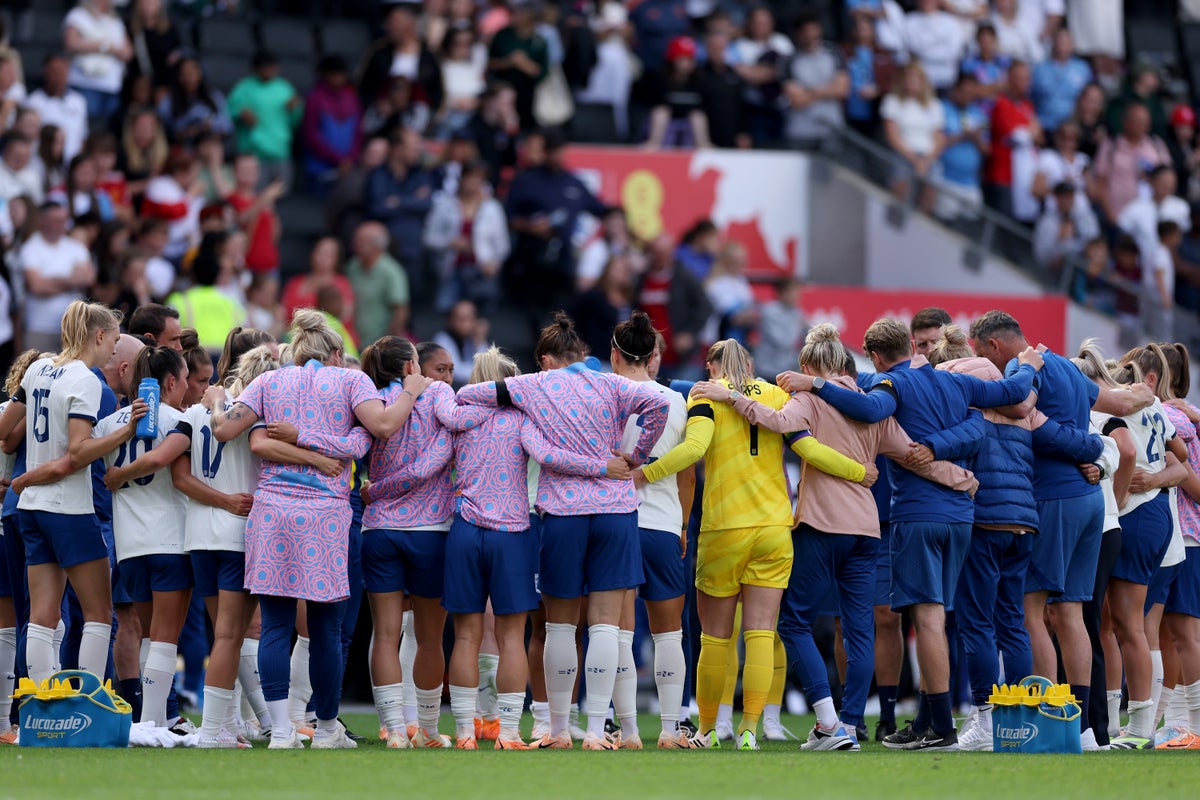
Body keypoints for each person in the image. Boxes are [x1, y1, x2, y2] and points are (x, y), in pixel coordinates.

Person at [781, 317, 1044, 750]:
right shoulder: (953, 381)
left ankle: (943, 725)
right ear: (910, 343)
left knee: (926, 621)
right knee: (953, 621)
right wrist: (1028, 364)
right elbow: (1008, 401)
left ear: (878, 358)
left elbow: (867, 409)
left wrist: (816, 384)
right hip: (962, 516)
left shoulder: (889, 386)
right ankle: (942, 720)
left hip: (917, 514)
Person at [206, 309, 434, 749]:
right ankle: (328, 730)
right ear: (334, 352)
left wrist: (217, 399)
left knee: (274, 626)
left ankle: (282, 732)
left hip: (271, 511)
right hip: (326, 516)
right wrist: (409, 391)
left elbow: (223, 429)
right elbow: (382, 427)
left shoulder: (271, 381)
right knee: (326, 630)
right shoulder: (350, 381)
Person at [455, 313, 669, 750]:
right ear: (585, 355)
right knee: (606, 626)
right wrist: (635, 456)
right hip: (614, 509)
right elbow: (659, 405)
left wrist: (508, 402)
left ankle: (556, 730)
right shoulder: (612, 384)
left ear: (548, 359)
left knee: (558, 626)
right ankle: (595, 730)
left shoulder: (535, 384)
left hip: (562, 514)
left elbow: (468, 393)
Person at [636, 338, 859, 750]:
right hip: (775, 528)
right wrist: (857, 471)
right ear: (750, 365)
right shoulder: (777, 395)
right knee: (761, 634)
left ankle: (705, 731)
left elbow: (694, 449)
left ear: (711, 366)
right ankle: (751, 731)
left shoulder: (706, 396)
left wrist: (643, 475)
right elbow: (808, 448)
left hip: (725, 528)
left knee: (715, 639)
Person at [969, 311, 1154, 747]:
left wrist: (1082, 444)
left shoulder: (1021, 368)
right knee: (1070, 613)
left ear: (994, 346)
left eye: (981, 355)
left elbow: (1020, 408)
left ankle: (1045, 723)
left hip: (1052, 497)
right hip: (1092, 502)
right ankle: (1085, 729)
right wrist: (1141, 396)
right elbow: (1121, 404)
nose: (986, 366)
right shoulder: (1068, 368)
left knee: (1033, 612)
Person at [926, 326, 1101, 751]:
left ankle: (987, 720)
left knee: (977, 623)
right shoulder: (1021, 400)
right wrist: (1096, 448)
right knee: (1015, 622)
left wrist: (929, 448)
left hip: (985, 519)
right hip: (1026, 520)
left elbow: (963, 440)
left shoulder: (960, 393)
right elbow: (1074, 433)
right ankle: (1017, 720)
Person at [0, 302, 146, 686]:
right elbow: (79, 454)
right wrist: (126, 430)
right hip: (68, 507)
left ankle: (41, 703)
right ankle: (89, 700)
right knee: (100, 611)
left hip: (30, 510)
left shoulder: (36, 369)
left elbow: (3, 429)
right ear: (99, 336)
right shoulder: (85, 379)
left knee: (42, 615)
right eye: (114, 339)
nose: (115, 348)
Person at [92, 346, 190, 728]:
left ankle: (156, 722)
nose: (185, 388)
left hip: (129, 544)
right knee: (165, 638)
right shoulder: (180, 421)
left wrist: (118, 474)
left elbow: (96, 460)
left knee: (150, 636)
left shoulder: (108, 424)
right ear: (169, 381)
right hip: (170, 540)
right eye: (184, 380)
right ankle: (153, 723)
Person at [504, 128, 607, 327]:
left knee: (562, 314)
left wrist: (619, 216)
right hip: (532, 260)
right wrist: (531, 226)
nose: (556, 155)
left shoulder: (574, 182)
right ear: (545, 152)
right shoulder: (526, 180)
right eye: (551, 150)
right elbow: (509, 217)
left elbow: (600, 209)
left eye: (559, 150)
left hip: (563, 262)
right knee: (534, 311)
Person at [424, 159, 508, 314]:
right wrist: (449, 243)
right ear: (461, 179)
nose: (473, 182)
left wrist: (495, 262)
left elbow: (502, 244)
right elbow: (429, 238)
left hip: (482, 272)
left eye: (478, 179)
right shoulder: (444, 205)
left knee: (483, 317)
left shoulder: (493, 208)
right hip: (451, 271)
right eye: (470, 177)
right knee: (445, 312)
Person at [18, 201, 95, 353]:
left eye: (64, 220)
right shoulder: (30, 248)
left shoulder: (75, 246)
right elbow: (37, 287)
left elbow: (88, 278)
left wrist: (52, 280)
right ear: (43, 221)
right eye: (57, 220)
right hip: (40, 326)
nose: (63, 225)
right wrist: (71, 279)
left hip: (72, 327)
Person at [364, 128, 436, 283]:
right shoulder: (378, 175)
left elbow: (426, 204)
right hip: (384, 253)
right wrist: (412, 201)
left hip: (413, 252)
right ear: (397, 149)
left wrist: (398, 201)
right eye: (413, 148)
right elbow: (377, 208)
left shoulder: (420, 174)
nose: (418, 152)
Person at [638, 233, 712, 379]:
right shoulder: (642, 279)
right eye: (656, 253)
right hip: (650, 356)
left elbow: (705, 306)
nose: (660, 257)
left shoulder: (684, 276)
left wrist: (689, 333)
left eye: (663, 253)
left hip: (682, 357)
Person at [227, 51, 303, 190]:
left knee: (281, 196)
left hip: (280, 152)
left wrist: (294, 110)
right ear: (256, 69)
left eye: (272, 67)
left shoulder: (284, 88)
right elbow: (230, 115)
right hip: (253, 153)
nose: (269, 70)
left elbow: (295, 121)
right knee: (254, 197)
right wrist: (240, 114)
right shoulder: (243, 88)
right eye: (265, 67)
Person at [357, 1, 444, 118]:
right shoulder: (379, 54)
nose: (387, 26)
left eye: (394, 22)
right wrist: (377, 106)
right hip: (381, 121)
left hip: (418, 124)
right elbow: (364, 89)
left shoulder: (429, 56)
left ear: (409, 23)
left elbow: (437, 95)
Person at [165, 232, 247, 353]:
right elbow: (244, 329)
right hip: (225, 357)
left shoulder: (179, 299)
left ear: (192, 274)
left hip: (195, 358)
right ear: (217, 273)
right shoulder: (231, 300)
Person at [1095, 103, 1171, 225]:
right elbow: (1100, 184)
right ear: (1126, 122)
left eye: (1146, 122)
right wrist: (1110, 215)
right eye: (1138, 121)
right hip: (1117, 216)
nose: (1143, 126)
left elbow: (1168, 178)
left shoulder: (1156, 145)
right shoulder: (1110, 146)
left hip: (1151, 218)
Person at [882, 62, 944, 208]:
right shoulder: (893, 101)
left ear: (923, 81)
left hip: (927, 157)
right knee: (900, 186)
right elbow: (892, 136)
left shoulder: (934, 105)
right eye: (908, 77)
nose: (911, 81)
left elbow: (939, 138)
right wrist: (915, 159)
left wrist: (926, 160)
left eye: (915, 78)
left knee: (932, 188)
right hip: (903, 154)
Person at [782, 15, 848, 151]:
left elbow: (842, 90)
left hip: (831, 128)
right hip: (800, 131)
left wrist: (809, 92)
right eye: (806, 31)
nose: (811, 35)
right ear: (798, 34)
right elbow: (796, 101)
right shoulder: (789, 60)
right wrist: (829, 89)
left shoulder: (834, 52)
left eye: (814, 30)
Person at [987, 60, 1042, 220]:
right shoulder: (1001, 104)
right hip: (1003, 176)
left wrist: (1030, 132)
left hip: (1024, 178)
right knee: (1001, 225)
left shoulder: (1028, 105)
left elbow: (1039, 137)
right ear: (1010, 79)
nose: (1025, 82)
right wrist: (1031, 131)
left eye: (1027, 78)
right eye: (1020, 78)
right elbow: (1017, 136)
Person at [301, 56, 363, 192]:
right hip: (320, 171)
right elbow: (310, 135)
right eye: (335, 74)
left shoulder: (351, 98)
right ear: (326, 75)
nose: (339, 78)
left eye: (342, 74)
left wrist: (350, 159)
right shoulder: (314, 98)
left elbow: (358, 133)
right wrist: (338, 160)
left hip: (347, 169)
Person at [62, 0, 131, 123]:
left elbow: (128, 53)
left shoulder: (115, 21)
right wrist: (104, 46)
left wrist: (105, 48)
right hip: (85, 84)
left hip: (111, 86)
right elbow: (71, 43)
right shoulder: (78, 15)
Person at [486, 0, 548, 130]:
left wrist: (524, 63)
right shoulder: (503, 35)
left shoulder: (539, 42)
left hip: (527, 95)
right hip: (501, 90)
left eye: (520, 13)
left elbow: (542, 72)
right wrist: (508, 62)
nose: (515, 16)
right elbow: (489, 63)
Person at [344, 221, 410, 344]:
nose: (354, 244)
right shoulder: (352, 266)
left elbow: (400, 309)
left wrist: (388, 344)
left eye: (360, 241)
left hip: (377, 345)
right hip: (352, 342)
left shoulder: (391, 272)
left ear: (375, 246)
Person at [645, 36, 709, 150]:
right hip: (667, 123)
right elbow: (656, 105)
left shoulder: (698, 80)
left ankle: (704, 145)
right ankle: (653, 144)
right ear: (673, 59)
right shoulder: (661, 79)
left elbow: (700, 107)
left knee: (698, 117)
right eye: (682, 59)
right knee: (661, 113)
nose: (687, 63)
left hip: (689, 125)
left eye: (690, 59)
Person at [227, 153, 284, 279]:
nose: (249, 172)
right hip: (246, 268)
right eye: (244, 169)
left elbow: (275, 235)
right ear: (234, 172)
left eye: (253, 168)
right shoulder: (231, 199)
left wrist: (268, 204)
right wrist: (264, 199)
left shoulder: (263, 198)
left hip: (269, 266)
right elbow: (241, 219)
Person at [280, 237, 355, 330]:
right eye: (320, 252)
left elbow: (345, 315)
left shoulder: (341, 284)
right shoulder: (295, 282)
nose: (322, 258)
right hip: (294, 336)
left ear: (337, 259)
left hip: (328, 337)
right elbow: (282, 314)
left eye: (328, 255)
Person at [25, 54, 89, 160]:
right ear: (45, 73)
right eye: (54, 73)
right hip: (42, 164)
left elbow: (82, 137)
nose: (59, 77)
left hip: (71, 166)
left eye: (63, 72)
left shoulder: (79, 101)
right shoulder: (33, 102)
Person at [157, 57, 232, 147]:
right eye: (186, 73)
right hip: (181, 148)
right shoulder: (168, 101)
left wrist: (208, 125)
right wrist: (189, 131)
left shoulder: (213, 96)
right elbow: (162, 129)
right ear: (179, 77)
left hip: (208, 143)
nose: (190, 78)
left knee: (213, 148)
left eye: (193, 73)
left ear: (200, 74)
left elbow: (227, 125)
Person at [1031, 27, 1093, 134]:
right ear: (1053, 43)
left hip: (1074, 128)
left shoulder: (1083, 69)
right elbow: (1030, 97)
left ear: (1073, 45)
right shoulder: (1039, 69)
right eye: (1060, 40)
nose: (1063, 45)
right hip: (1045, 126)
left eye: (1066, 42)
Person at [1033, 182, 1100, 272]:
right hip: (1056, 272)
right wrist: (1060, 241)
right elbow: (1041, 258)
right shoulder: (1047, 222)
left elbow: (1095, 240)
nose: (1066, 200)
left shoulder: (1085, 217)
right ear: (1056, 198)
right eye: (1063, 196)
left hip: (1083, 267)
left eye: (1069, 196)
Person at [901, 0, 964, 92]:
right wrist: (937, 49)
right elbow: (911, 46)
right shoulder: (909, 21)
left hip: (946, 81)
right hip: (917, 84)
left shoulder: (951, 22)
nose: (927, 1)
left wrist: (922, 53)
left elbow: (953, 51)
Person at [754, 278, 805, 381]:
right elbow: (783, 341)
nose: (797, 295)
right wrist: (797, 326)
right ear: (782, 292)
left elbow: (807, 336)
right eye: (793, 291)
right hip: (768, 370)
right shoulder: (769, 311)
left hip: (787, 370)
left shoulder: (797, 312)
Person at [432, 300, 489, 387]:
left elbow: (487, 365)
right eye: (460, 319)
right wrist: (483, 372)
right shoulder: (442, 340)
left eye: (469, 319)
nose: (464, 323)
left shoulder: (471, 339)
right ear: (450, 320)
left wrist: (480, 341)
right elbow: (455, 372)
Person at [0, 132, 42, 202]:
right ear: (6, 152)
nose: (20, 160)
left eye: (24, 156)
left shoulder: (32, 176)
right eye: (17, 155)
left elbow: (37, 202)